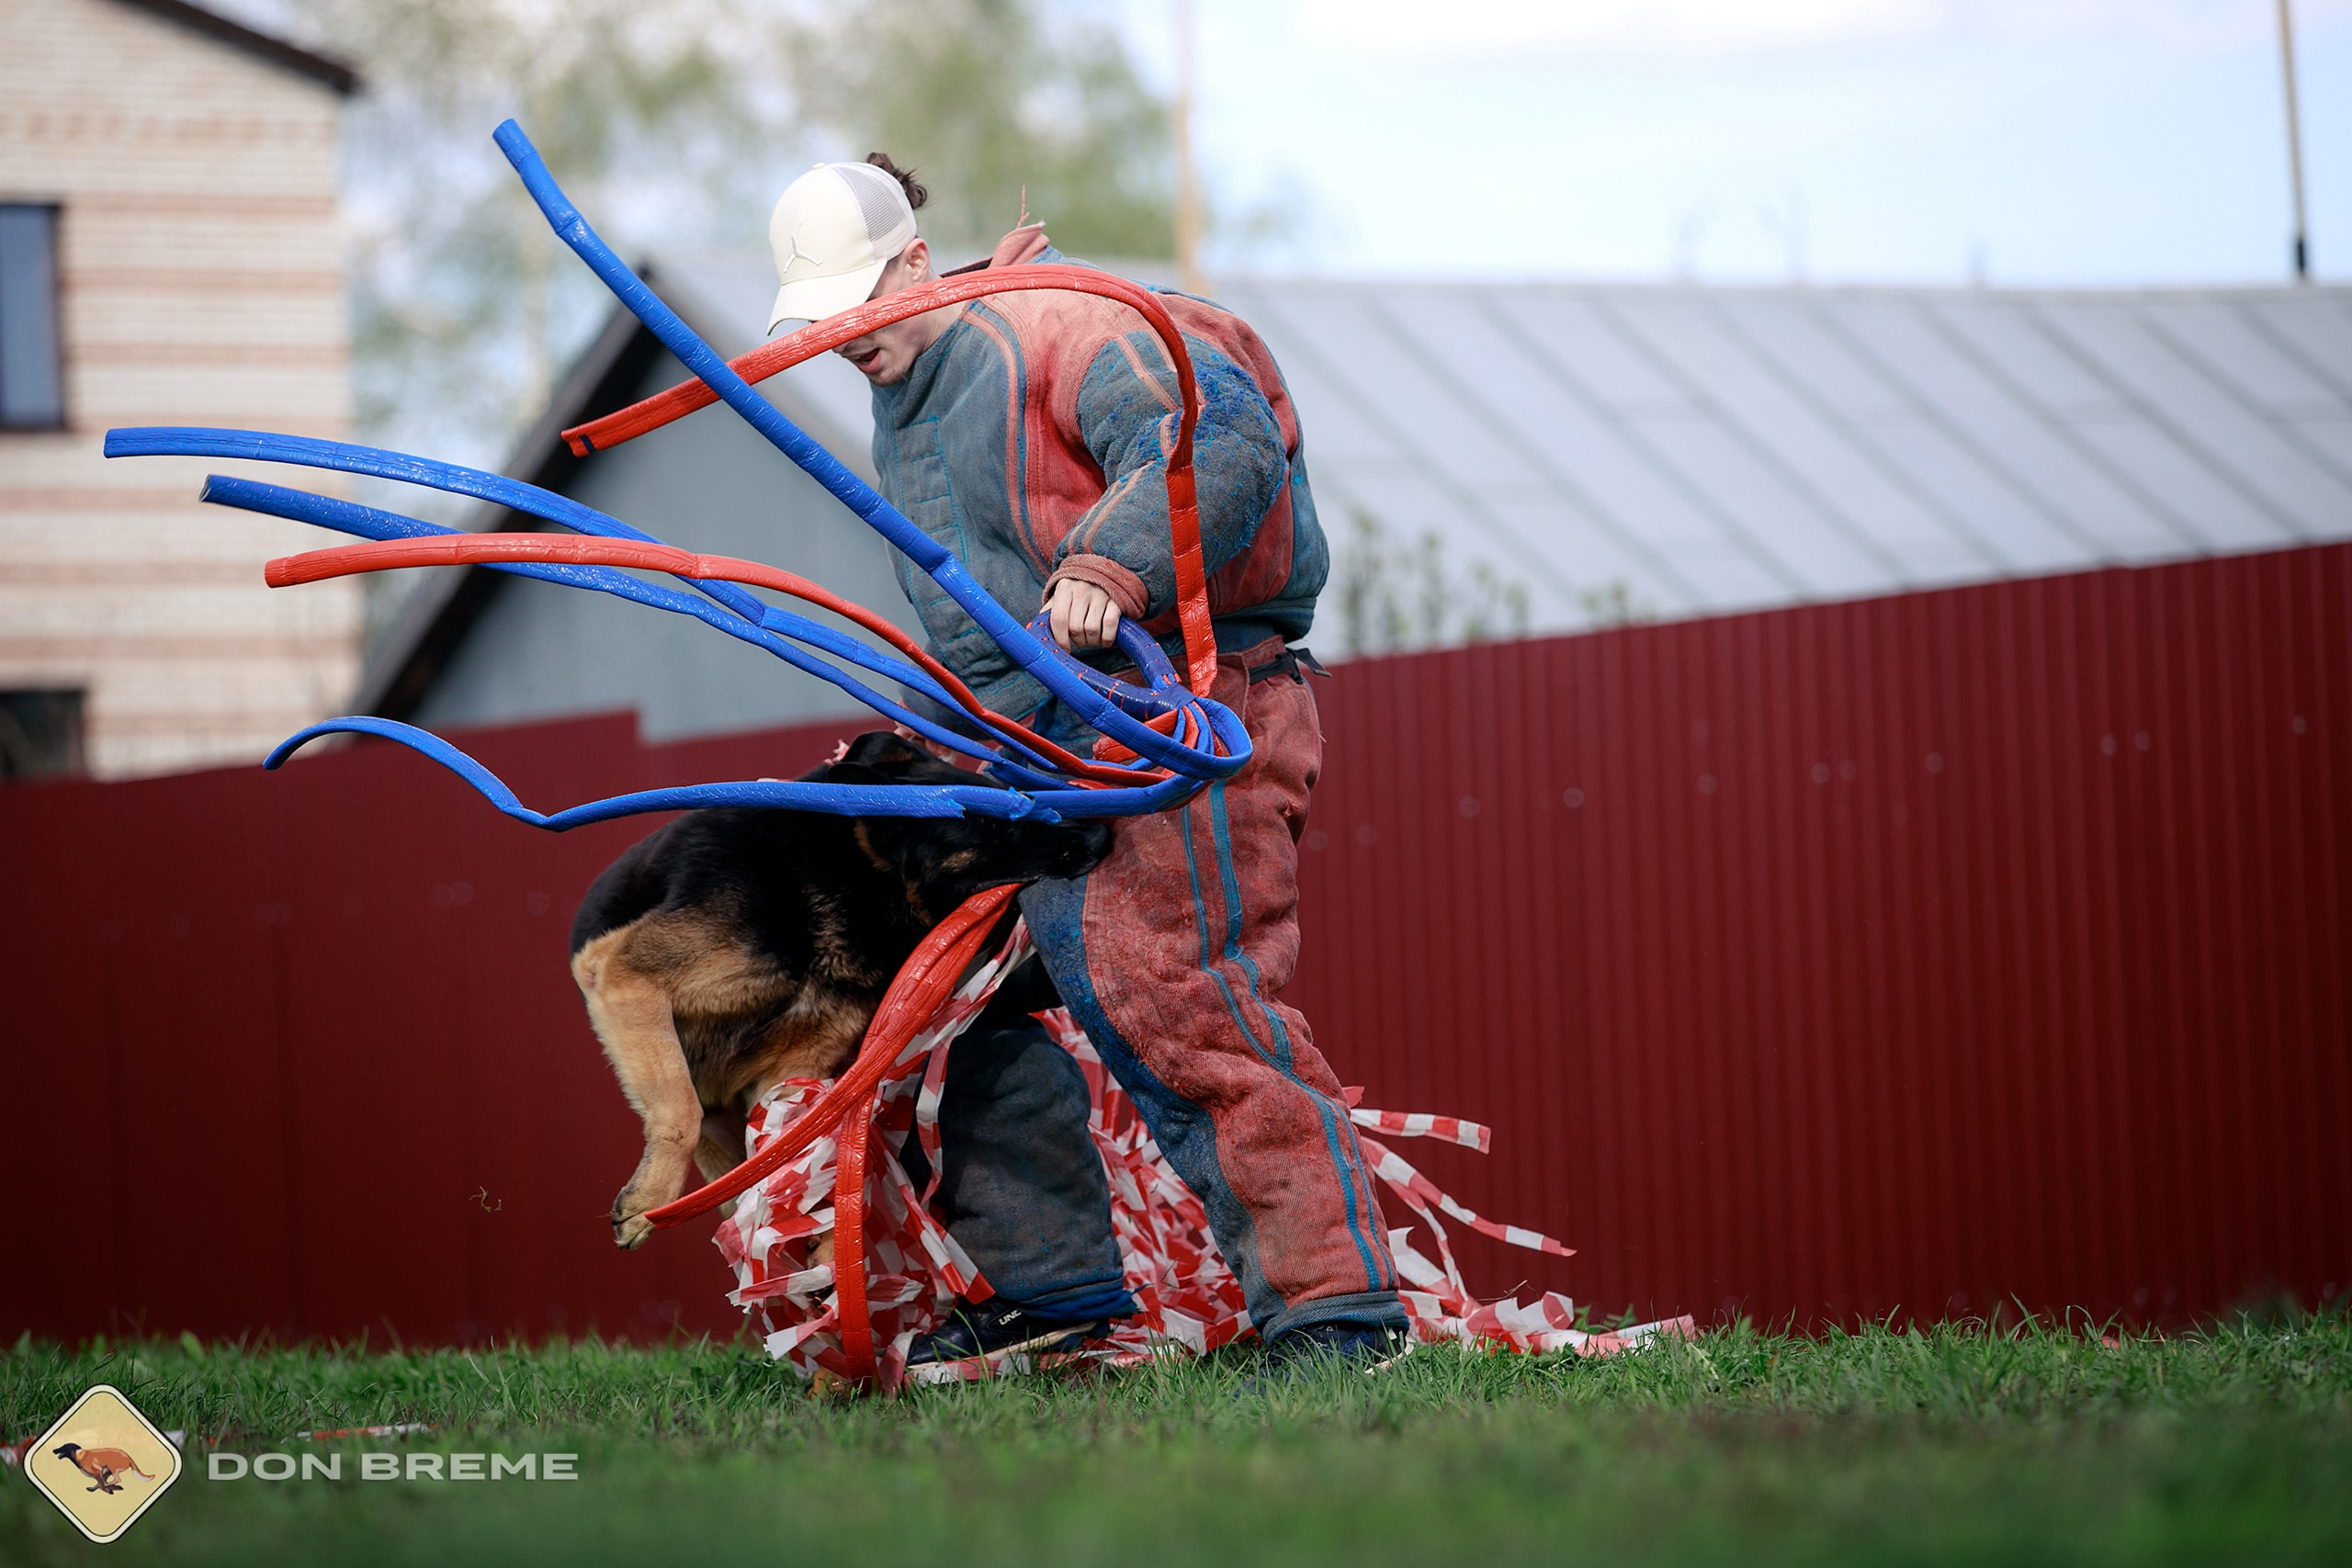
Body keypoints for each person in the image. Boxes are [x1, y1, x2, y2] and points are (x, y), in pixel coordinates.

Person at [763, 155, 1407, 1372]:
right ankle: (1051, 1295)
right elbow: (980, 609)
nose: (844, 337)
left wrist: (1110, 565)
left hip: (1187, 709)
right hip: (1033, 746)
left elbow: (1217, 440)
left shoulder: (1069, 327)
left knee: (1172, 994)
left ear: (915, 263)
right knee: (944, 995)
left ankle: (1337, 1312)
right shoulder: (908, 384)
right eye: (822, 319)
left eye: (860, 302)